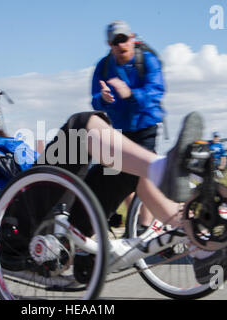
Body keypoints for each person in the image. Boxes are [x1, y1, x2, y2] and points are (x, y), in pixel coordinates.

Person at [0, 0, 227, 284]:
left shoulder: (4, 144)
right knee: (81, 124)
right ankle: (165, 169)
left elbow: (46, 168)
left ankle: (199, 242)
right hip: (14, 225)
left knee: (125, 162)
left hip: (56, 217)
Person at [91, 20, 165, 233]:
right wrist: (103, 98)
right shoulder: (103, 67)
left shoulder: (147, 60)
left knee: (144, 172)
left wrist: (132, 94)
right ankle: (134, 222)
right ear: (109, 44)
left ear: (132, 39)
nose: (120, 45)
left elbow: (157, 92)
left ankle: (145, 226)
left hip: (146, 126)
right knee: (119, 175)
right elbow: (95, 99)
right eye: (115, 41)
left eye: (123, 39)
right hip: (120, 128)